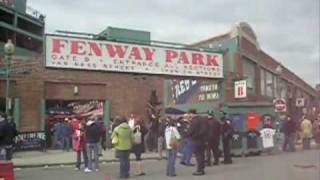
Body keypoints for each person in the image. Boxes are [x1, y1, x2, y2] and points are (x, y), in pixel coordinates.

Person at [187, 109, 208, 176]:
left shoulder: (194, 121)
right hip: (202, 140)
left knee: (198, 155)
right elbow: (205, 130)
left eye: (189, 114)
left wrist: (187, 133)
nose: (189, 115)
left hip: (196, 140)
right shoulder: (203, 119)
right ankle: (202, 169)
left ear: (192, 113)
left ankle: (199, 170)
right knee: (202, 155)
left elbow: (190, 131)